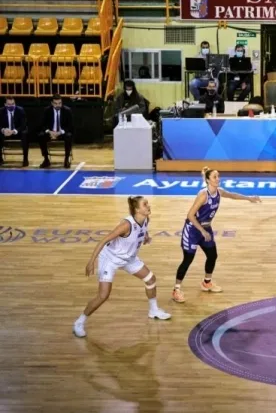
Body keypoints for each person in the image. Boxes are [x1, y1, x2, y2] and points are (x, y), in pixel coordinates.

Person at [73, 196, 171, 338]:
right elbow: (103, 240)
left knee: (150, 279)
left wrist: (146, 237)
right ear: (137, 209)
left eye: (147, 203)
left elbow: (143, 230)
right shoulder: (126, 225)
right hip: (110, 259)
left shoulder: (145, 219)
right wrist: (91, 261)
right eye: (145, 204)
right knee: (103, 295)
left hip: (129, 258)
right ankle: (79, 322)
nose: (148, 206)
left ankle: (153, 310)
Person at [172, 167, 261, 303]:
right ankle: (176, 290)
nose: (218, 179)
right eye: (215, 177)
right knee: (188, 260)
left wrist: (249, 198)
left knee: (212, 255)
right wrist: (202, 231)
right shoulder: (203, 195)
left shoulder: (219, 192)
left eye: (218, 176)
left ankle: (206, 283)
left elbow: (232, 195)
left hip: (206, 229)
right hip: (192, 230)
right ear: (208, 180)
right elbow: (190, 215)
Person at [39, 94, 73, 169]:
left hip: (62, 133)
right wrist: (49, 132)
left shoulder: (67, 110)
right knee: (41, 136)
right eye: (56, 103)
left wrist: (60, 132)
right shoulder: (47, 110)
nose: (58, 105)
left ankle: (66, 159)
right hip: (51, 133)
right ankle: (46, 159)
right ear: (52, 103)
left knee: (69, 136)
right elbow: (42, 125)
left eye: (60, 103)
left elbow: (70, 126)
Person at [0, 97, 29, 167]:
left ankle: (25, 159)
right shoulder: (1, 111)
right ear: (5, 104)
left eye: (13, 104)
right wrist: (3, 130)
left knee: (25, 134)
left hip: (17, 132)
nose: (11, 106)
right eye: (9, 104)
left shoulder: (20, 110)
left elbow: (23, 124)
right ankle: (0, 159)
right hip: (5, 132)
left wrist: (15, 131)